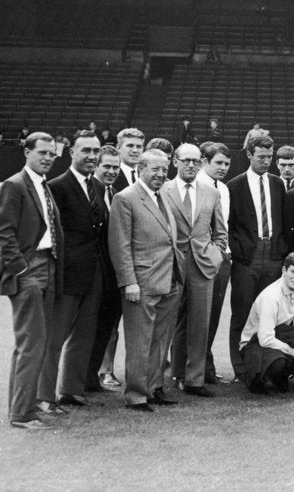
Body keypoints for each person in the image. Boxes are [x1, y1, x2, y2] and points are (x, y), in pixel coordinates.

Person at [108, 149, 183, 412]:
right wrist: (129, 281)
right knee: (140, 342)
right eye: (155, 169)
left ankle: (153, 389)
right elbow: (120, 245)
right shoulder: (125, 198)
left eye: (164, 170)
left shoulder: (162, 196)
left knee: (160, 340)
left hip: (169, 281)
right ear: (141, 169)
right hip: (141, 283)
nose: (161, 175)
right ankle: (136, 395)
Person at [1, 132, 64, 429]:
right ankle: (22, 414)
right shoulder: (14, 185)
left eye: (52, 154)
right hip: (29, 271)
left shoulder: (43, 185)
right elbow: (4, 232)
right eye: (42, 153)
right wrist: (21, 268)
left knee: (34, 342)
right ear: (27, 152)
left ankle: (23, 407)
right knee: (31, 344)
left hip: (49, 266)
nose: (48, 158)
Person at [40, 131, 105, 413]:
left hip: (94, 273)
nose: (92, 156)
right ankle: (44, 397)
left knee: (85, 334)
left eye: (96, 151)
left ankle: (71, 390)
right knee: (54, 338)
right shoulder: (56, 187)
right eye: (86, 150)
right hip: (66, 274)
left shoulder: (98, 187)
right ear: (71, 153)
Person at [163, 143, 228, 398]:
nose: (191, 165)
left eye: (195, 161)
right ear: (175, 161)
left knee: (200, 322)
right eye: (185, 160)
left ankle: (194, 379)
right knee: (171, 321)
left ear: (201, 163)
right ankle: (174, 373)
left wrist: (216, 255)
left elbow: (220, 231)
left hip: (203, 264)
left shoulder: (210, 192)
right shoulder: (164, 189)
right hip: (171, 263)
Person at [226, 134, 287, 381]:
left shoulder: (277, 183)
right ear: (249, 155)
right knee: (242, 312)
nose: (266, 161)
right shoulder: (234, 185)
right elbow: (228, 225)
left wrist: (280, 250)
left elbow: (283, 219)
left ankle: (268, 366)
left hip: (272, 253)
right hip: (247, 257)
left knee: (271, 313)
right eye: (261, 157)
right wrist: (239, 250)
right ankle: (241, 369)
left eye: (269, 157)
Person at [238, 252, 294, 394]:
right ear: (284, 271)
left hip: (280, 335)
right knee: (278, 363)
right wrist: (289, 349)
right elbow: (265, 339)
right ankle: (263, 379)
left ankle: (281, 377)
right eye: (293, 272)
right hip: (255, 343)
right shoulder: (271, 297)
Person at [84, 146, 124, 392]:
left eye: (115, 167)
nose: (111, 171)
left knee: (106, 328)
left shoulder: (115, 193)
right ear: (96, 166)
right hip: (92, 274)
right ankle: (80, 378)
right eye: (106, 166)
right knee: (87, 329)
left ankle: (91, 378)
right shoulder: (90, 192)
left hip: (112, 274)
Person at [196, 142, 232, 383]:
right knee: (197, 316)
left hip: (222, 257)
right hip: (200, 257)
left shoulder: (225, 189)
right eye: (218, 162)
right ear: (204, 162)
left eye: (227, 164)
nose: (223, 167)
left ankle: (205, 365)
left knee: (214, 315)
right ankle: (191, 369)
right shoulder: (197, 185)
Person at [112, 127, 145, 192]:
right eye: (130, 146)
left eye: (139, 146)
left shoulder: (145, 175)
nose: (135, 150)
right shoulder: (112, 175)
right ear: (118, 147)